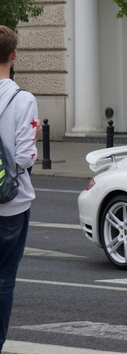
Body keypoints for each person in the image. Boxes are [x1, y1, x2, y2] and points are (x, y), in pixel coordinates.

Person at [0, 25, 41, 353]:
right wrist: (36, 142)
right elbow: (24, 157)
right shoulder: (22, 99)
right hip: (10, 205)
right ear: (14, 55)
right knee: (3, 280)